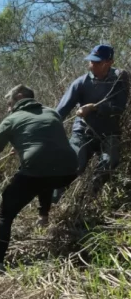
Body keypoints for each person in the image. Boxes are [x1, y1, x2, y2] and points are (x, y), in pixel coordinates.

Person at [0, 85, 78, 272]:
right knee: (45, 175)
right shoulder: (52, 112)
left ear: (19, 97)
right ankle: (43, 216)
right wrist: (20, 143)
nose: (8, 108)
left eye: (9, 103)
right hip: (69, 170)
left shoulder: (11, 120)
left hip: (39, 170)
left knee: (4, 213)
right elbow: (47, 143)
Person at [54, 44, 129, 198]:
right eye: (91, 61)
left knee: (111, 161)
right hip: (83, 131)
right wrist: (42, 130)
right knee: (73, 165)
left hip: (109, 132)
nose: (92, 65)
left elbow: (119, 107)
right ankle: (52, 203)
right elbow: (60, 112)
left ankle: (89, 196)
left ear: (109, 63)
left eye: (97, 62)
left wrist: (94, 108)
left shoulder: (120, 78)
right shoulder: (80, 83)